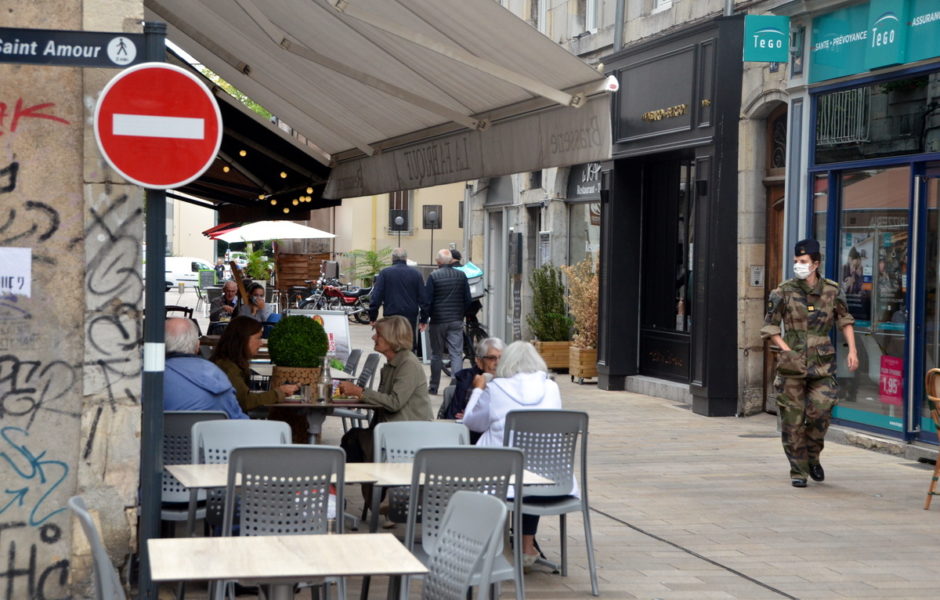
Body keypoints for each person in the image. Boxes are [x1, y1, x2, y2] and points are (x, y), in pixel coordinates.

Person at [762, 238, 858, 488]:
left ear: (815, 264)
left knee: (821, 412)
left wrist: (853, 351)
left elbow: (845, 319)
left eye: (803, 262)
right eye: (796, 261)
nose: (798, 265)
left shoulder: (832, 290)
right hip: (791, 365)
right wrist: (786, 349)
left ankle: (813, 456)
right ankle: (798, 470)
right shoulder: (783, 291)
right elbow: (770, 326)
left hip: (822, 364)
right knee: (792, 420)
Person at [462, 341, 565, 567]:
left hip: (499, 478)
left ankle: (486, 543)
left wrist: (478, 390)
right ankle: (526, 546)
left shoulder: (497, 388)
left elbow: (472, 422)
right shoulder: (551, 387)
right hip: (551, 479)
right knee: (532, 465)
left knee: (481, 461)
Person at [337, 315, 432, 462]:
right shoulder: (392, 363)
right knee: (351, 439)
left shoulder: (408, 364)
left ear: (392, 338)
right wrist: (355, 398)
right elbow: (382, 401)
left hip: (405, 436)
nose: (374, 338)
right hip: (390, 430)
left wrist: (359, 392)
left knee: (352, 443)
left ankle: (366, 481)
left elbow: (394, 403)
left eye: (379, 335)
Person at [209, 316, 299, 413]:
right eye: (258, 338)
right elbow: (245, 401)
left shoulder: (226, 363)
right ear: (243, 339)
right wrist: (278, 393)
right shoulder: (229, 368)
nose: (261, 343)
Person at [163, 318, 248, 419]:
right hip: (213, 434)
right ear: (197, 345)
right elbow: (238, 418)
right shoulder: (217, 374)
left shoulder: (150, 376)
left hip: (163, 434)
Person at [419, 249, 471, 394]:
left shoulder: (434, 276)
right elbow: (467, 299)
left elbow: (427, 301)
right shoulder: (461, 276)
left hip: (438, 321)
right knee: (456, 352)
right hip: (456, 320)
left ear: (439, 262)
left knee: (436, 354)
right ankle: (456, 384)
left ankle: (434, 386)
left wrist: (424, 319)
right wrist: (461, 314)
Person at [442, 337, 504, 425]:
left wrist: (473, 417)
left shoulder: (509, 381)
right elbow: (454, 417)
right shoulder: (466, 380)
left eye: (501, 358)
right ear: (479, 361)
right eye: (491, 358)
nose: (497, 362)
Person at [368, 248, 424, 335]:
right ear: (405, 258)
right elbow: (423, 298)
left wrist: (372, 317)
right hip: (409, 317)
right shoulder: (416, 274)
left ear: (392, 258)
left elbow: (376, 296)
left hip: (391, 316)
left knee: (392, 343)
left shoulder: (385, 273)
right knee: (408, 343)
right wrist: (423, 319)